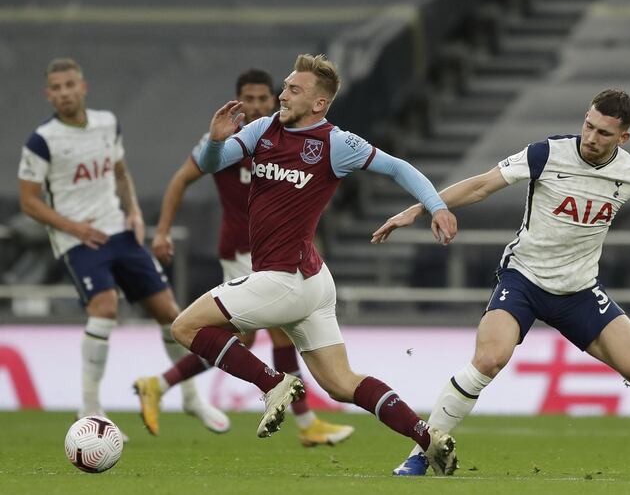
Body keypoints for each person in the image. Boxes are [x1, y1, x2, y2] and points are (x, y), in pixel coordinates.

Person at [373, 89, 630, 478]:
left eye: (603, 133)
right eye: (588, 125)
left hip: (579, 291)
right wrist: (420, 207)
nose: (591, 137)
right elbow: (481, 184)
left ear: (623, 137)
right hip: (524, 280)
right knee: (489, 358)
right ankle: (420, 454)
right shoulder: (546, 154)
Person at [165, 54, 459, 475]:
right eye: (284, 87)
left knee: (184, 327)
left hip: (286, 279)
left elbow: (397, 168)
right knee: (342, 383)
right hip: (312, 281)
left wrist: (436, 206)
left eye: (293, 90)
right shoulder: (262, 129)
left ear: (319, 104)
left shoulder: (335, 143)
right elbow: (213, 164)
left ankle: (273, 384)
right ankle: (427, 438)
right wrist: (214, 142)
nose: (283, 95)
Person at [133, 68, 354, 446]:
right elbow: (180, 179)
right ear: (238, 101)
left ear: (272, 100)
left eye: (261, 99)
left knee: (275, 338)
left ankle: (304, 423)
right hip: (243, 252)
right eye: (247, 99)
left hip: (278, 253)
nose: (254, 106)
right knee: (262, 337)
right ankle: (303, 422)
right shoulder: (231, 139)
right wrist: (164, 230)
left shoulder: (288, 135)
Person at [17, 58, 225, 439]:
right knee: (105, 307)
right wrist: (73, 226)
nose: (64, 93)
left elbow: (120, 171)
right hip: (79, 241)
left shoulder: (107, 123)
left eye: (69, 85)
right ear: (49, 95)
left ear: (83, 88)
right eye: (56, 88)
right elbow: (29, 200)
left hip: (120, 233)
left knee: (170, 312)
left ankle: (192, 398)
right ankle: (90, 408)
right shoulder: (42, 141)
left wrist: (133, 211)